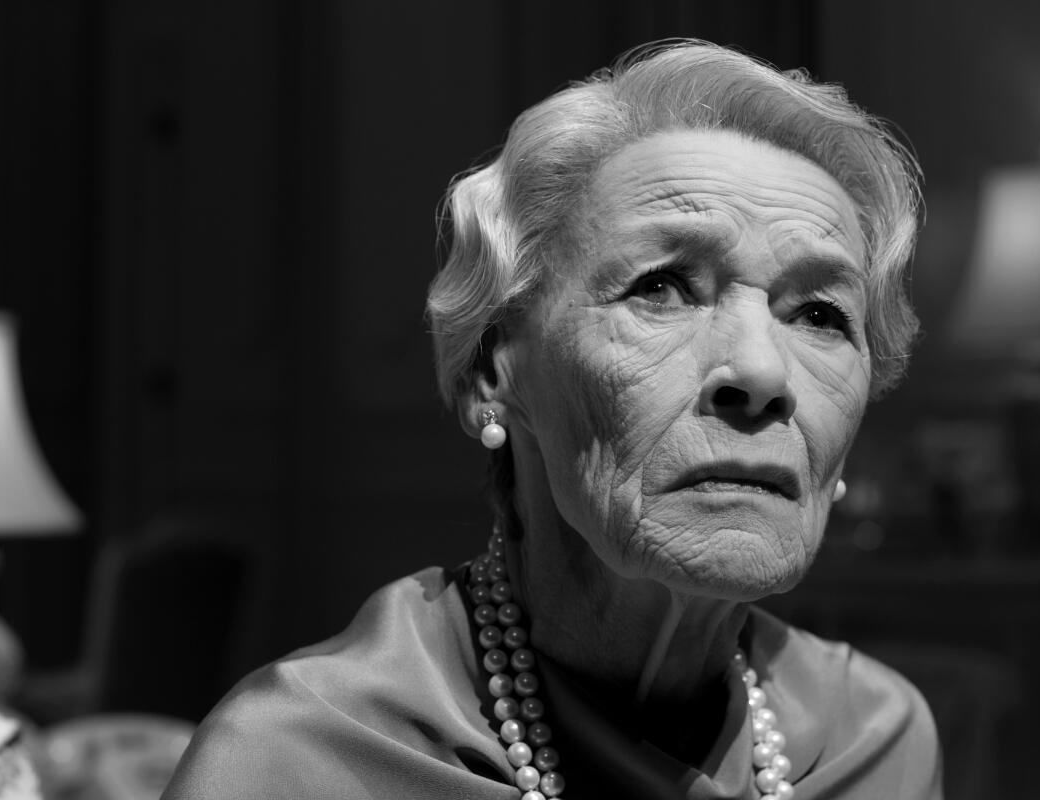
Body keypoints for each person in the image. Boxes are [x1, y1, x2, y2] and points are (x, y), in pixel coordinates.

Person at [163, 40, 939, 800]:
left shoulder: (874, 743)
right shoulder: (300, 762)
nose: (763, 375)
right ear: (491, 373)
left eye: (820, 314)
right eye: (662, 287)